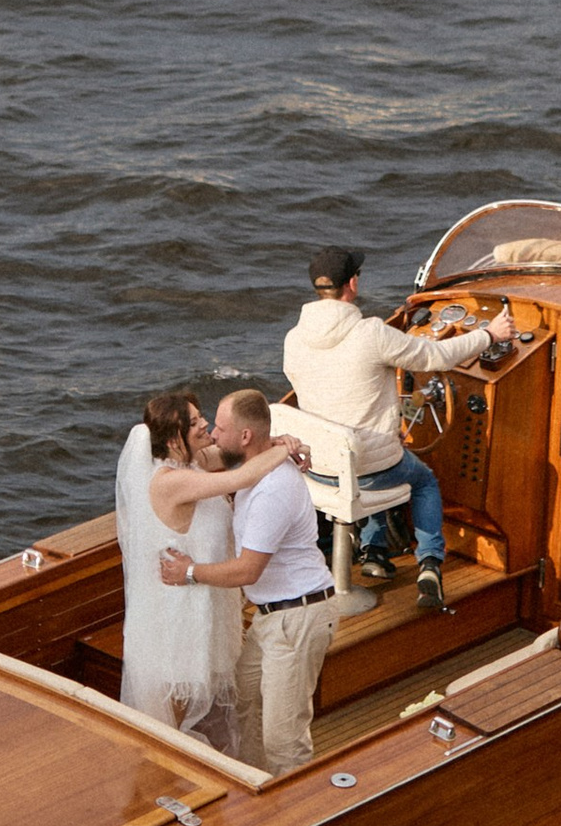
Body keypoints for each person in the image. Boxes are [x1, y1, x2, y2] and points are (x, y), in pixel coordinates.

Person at [284, 244, 501, 613]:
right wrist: (490, 335)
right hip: (362, 466)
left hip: (318, 467)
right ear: (351, 284)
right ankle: (431, 563)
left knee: (376, 452)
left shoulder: (293, 338)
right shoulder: (371, 333)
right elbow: (435, 357)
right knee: (422, 479)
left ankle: (374, 550)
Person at [159, 385, 337, 774]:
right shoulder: (252, 465)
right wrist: (279, 442)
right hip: (272, 617)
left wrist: (189, 572)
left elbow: (247, 570)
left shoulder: (272, 489)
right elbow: (220, 458)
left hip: (297, 615)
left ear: (244, 437)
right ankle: (261, 789)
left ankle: (297, 820)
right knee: (244, 705)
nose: (212, 434)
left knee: (284, 738)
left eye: (220, 428)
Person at [112, 387, 286, 754]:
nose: (204, 423)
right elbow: (240, 478)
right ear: (174, 439)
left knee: (197, 693)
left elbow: (230, 453)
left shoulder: (190, 464)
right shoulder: (169, 481)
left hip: (201, 602)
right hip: (179, 616)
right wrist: (287, 449)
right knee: (177, 702)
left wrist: (269, 443)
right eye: (194, 422)